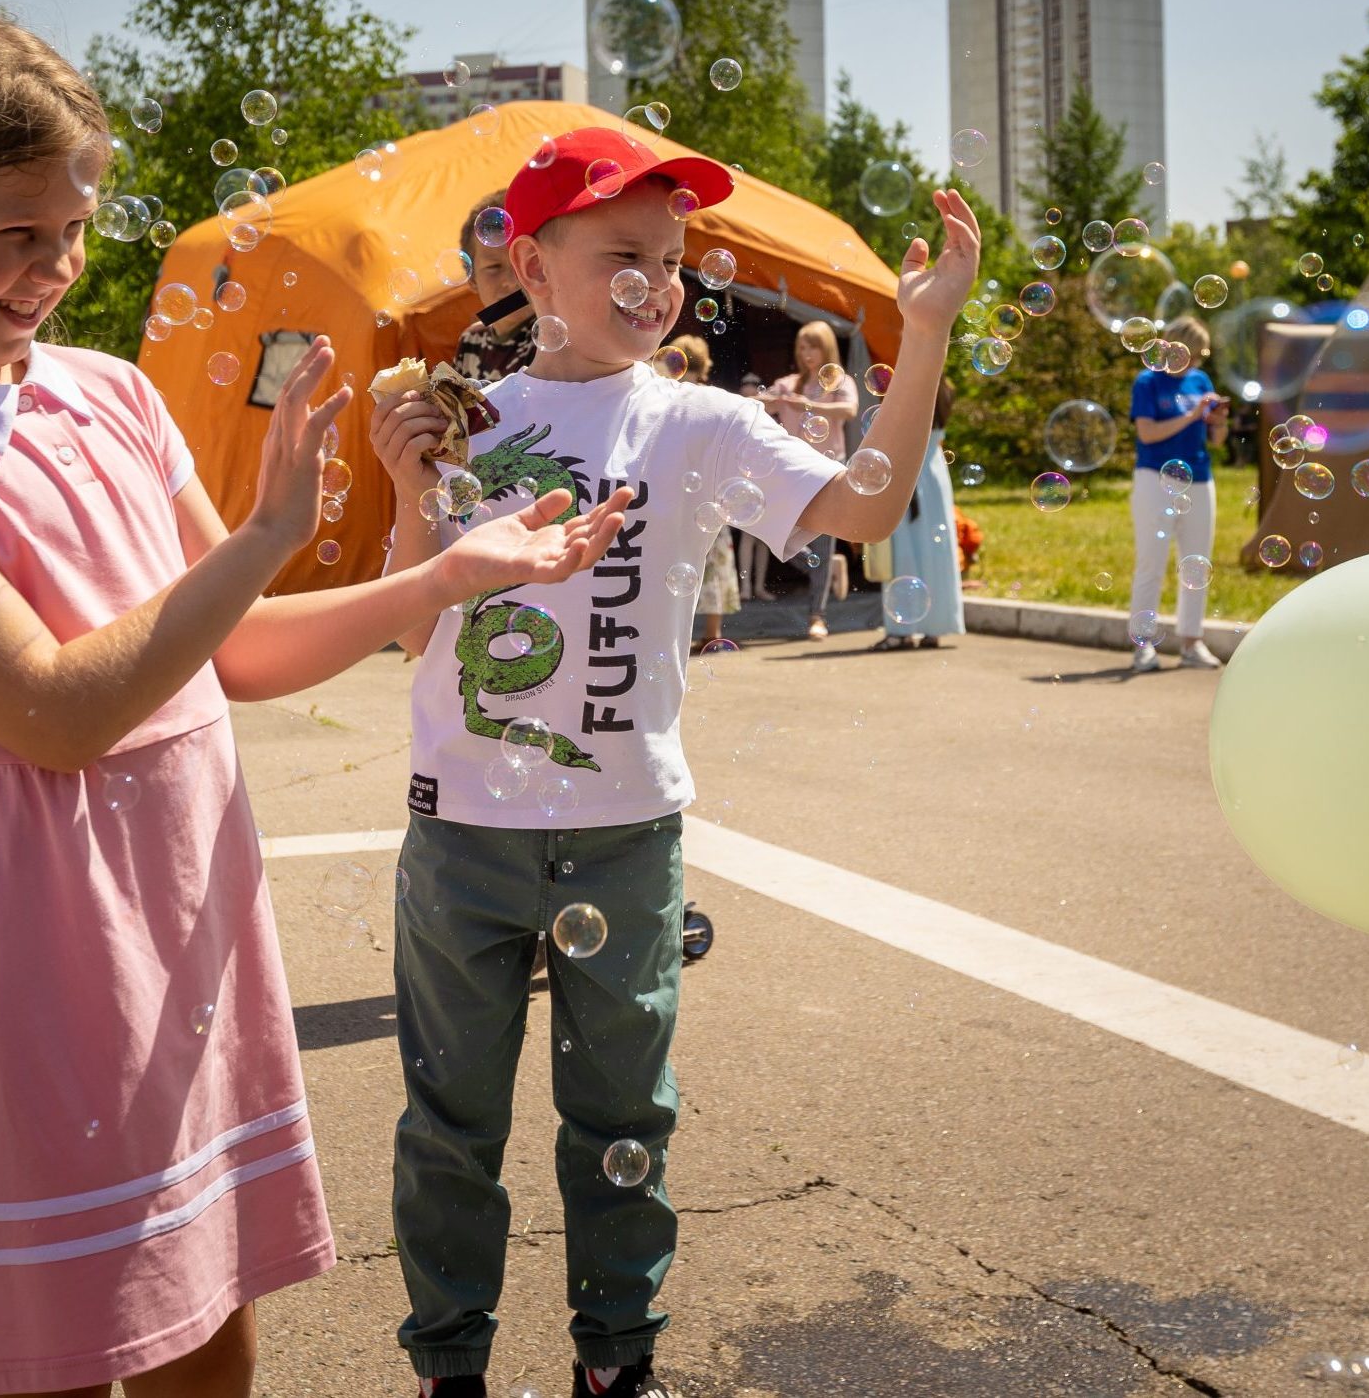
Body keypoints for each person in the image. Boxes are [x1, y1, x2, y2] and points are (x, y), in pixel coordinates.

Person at [0, 0, 632, 1398]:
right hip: (32, 952)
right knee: (57, 1347)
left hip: (182, 918)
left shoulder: (111, 397)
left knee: (204, 1327)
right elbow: (54, 711)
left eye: (73, 227)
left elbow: (240, 651)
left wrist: (442, 576)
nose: (54, 266)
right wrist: (263, 536)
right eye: (13, 232)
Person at [370, 125, 979, 1398]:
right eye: (623, 256)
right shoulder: (464, 422)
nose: (661, 281)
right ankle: (448, 1367)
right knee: (449, 1125)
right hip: (462, 831)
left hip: (627, 830)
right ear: (529, 271)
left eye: (673, 257)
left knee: (623, 1122)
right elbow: (409, 622)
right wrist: (400, 491)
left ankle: (617, 1360)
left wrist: (920, 332)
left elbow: (866, 505)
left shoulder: (697, 421)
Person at [1128, 313, 1228, 672]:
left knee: (1196, 564)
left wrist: (1218, 421)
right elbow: (1147, 434)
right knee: (1151, 562)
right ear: (1175, 346)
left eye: (1201, 356)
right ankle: (1143, 644)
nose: (1198, 363)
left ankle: (1191, 641)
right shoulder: (1148, 382)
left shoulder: (1200, 380)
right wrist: (1192, 415)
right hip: (1154, 478)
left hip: (1199, 478)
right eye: (1194, 354)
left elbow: (1217, 441)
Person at [760, 321, 860, 640]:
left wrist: (810, 406)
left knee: (821, 542)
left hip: (829, 470)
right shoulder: (788, 383)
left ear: (827, 348)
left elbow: (850, 409)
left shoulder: (838, 381)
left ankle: (818, 616)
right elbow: (761, 403)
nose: (806, 354)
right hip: (792, 471)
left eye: (813, 347)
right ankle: (829, 567)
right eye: (802, 348)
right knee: (771, 531)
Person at [870, 378, 965, 652]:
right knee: (935, 550)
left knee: (905, 548)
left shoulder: (908, 388)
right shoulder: (944, 387)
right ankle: (935, 627)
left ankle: (901, 631)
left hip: (910, 470)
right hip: (934, 473)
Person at [658, 335, 740, 650]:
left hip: (680, 486)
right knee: (715, 560)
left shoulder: (666, 395)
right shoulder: (711, 397)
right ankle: (713, 632)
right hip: (713, 487)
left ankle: (680, 634)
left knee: (680, 559)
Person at [453, 190, 537, 384]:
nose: (512, 281)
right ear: (471, 279)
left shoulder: (550, 335)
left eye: (521, 262)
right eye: (494, 267)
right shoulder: (471, 340)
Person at [733, 372, 773, 600]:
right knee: (748, 536)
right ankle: (745, 587)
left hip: (763, 478)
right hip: (742, 481)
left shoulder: (766, 415)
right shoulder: (736, 412)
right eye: (745, 383)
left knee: (764, 538)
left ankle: (758, 586)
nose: (750, 387)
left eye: (755, 384)